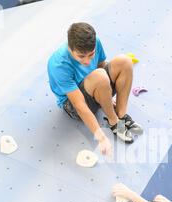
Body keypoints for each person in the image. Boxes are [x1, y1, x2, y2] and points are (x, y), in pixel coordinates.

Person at [47, 22, 143, 156]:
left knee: (125, 61)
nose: (87, 61)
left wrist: (107, 98)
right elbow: (79, 104)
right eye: (81, 56)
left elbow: (102, 65)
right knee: (101, 76)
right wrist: (101, 137)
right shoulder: (58, 64)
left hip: (96, 84)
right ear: (70, 48)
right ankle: (114, 122)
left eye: (90, 55)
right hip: (72, 105)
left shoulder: (95, 42)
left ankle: (121, 115)